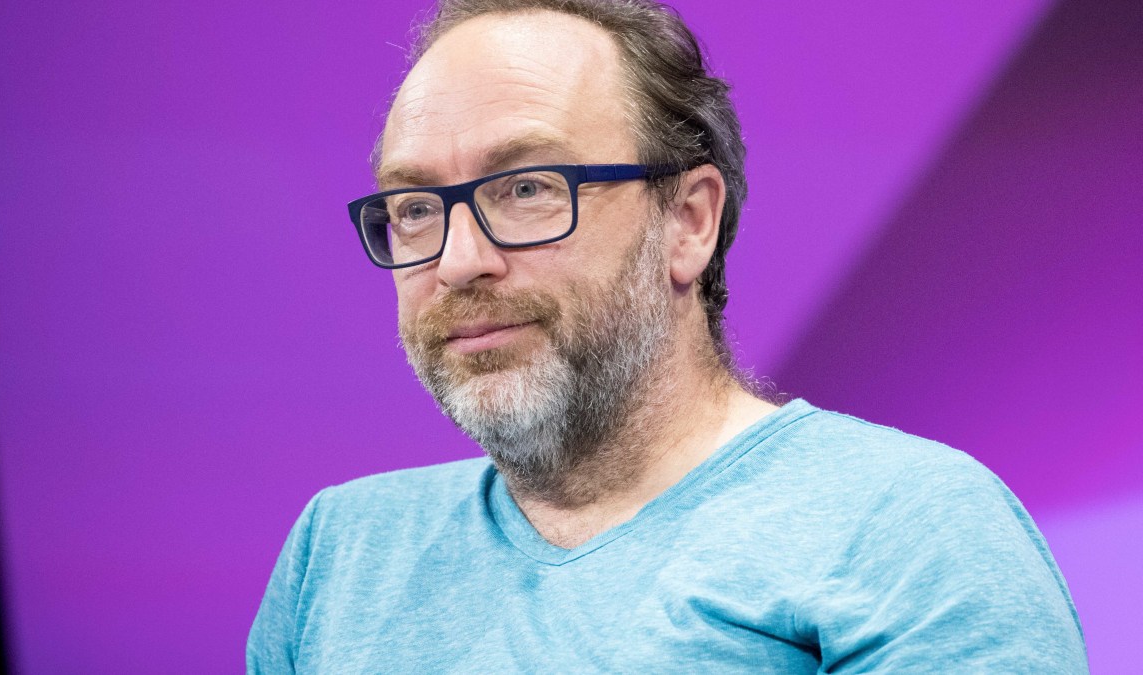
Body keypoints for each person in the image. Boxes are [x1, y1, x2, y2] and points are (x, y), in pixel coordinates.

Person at [247, 0, 1088, 671]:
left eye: (528, 188)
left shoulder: (911, 528)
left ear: (688, 222)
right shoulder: (340, 551)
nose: (459, 260)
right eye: (414, 207)